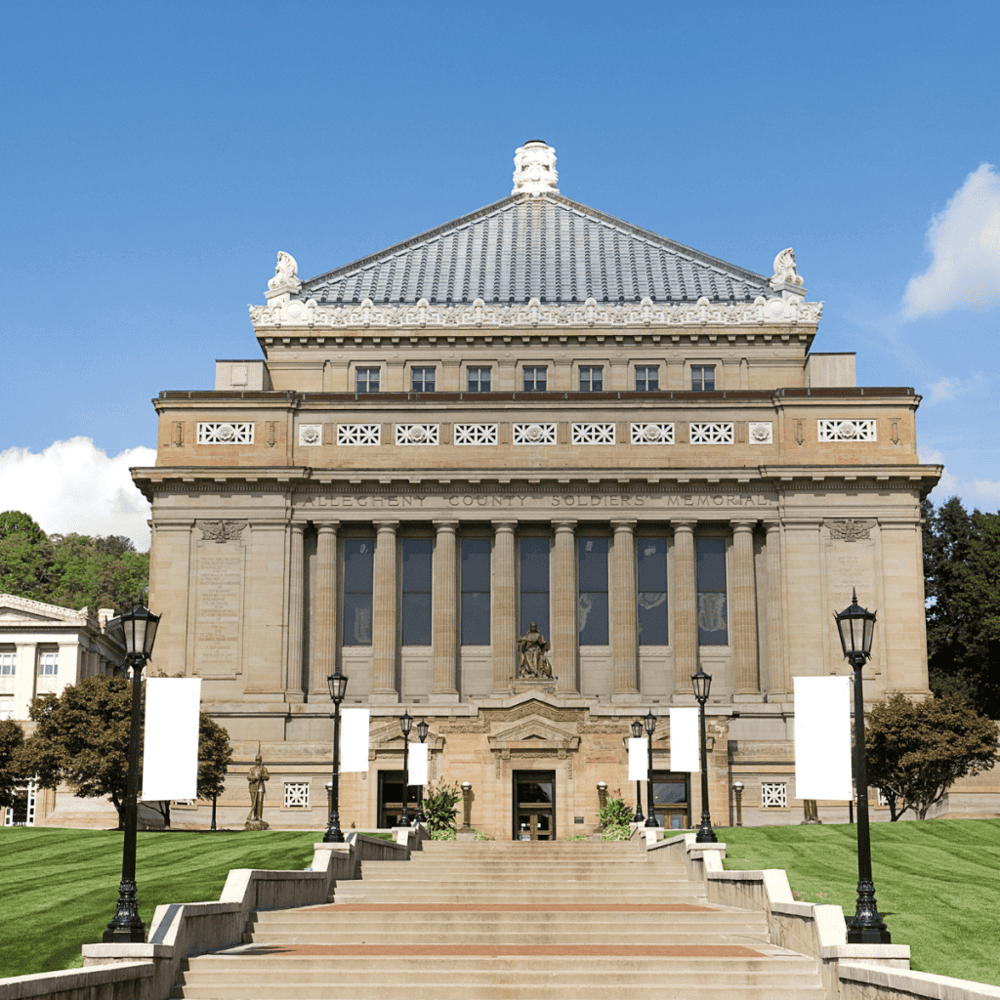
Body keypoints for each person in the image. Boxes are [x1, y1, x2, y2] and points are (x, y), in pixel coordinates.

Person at [246, 753, 270, 823]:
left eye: (259, 760)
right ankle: (255, 816)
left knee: (259, 802)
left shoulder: (264, 769)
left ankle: (259, 816)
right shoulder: (252, 769)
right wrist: (255, 778)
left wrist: (262, 776)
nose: (258, 761)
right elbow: (248, 777)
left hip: (260, 787)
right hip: (253, 787)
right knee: (254, 803)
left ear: (261, 760)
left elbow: (267, 776)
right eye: (256, 760)